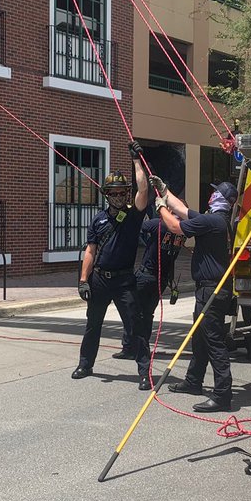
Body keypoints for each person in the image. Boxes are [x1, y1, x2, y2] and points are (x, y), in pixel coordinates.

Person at [152, 179, 238, 413]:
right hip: (211, 289)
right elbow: (183, 211)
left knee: (213, 342)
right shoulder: (218, 221)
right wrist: (165, 191)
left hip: (212, 289)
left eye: (214, 194)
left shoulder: (213, 221)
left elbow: (176, 226)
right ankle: (193, 381)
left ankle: (222, 395)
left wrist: (160, 206)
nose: (210, 197)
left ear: (220, 199)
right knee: (199, 338)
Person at [72, 142, 152, 390]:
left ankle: (143, 372)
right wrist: (84, 281)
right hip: (100, 279)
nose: (118, 196)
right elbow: (90, 250)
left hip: (124, 281)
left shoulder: (133, 214)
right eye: (113, 193)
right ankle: (86, 364)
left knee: (135, 326)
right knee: (93, 324)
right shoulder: (98, 220)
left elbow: (143, 188)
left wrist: (137, 160)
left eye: (121, 192)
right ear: (106, 194)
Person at [113, 213, 184, 359]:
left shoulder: (158, 224)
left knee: (132, 312)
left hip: (147, 275)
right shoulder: (182, 230)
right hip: (162, 279)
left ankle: (129, 348)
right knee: (147, 314)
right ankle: (142, 347)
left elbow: (137, 224)